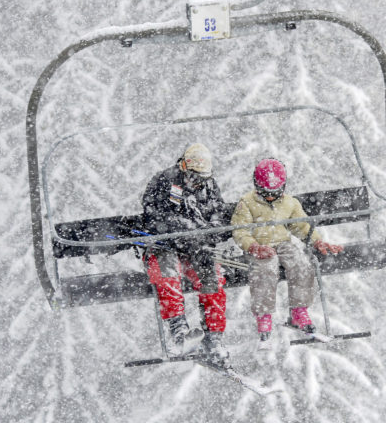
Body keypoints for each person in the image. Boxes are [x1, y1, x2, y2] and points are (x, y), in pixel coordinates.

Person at [230, 158, 343, 343]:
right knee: (265, 270)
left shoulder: (290, 203)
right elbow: (240, 230)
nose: (269, 198)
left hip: (283, 243)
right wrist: (252, 246)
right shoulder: (247, 203)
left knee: (301, 264)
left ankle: (299, 311)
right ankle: (263, 314)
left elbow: (301, 226)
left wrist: (316, 241)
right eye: (265, 193)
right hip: (260, 247)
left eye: (275, 194)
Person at [142, 143, 230, 365]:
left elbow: (218, 211)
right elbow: (154, 213)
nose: (196, 182)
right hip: (166, 245)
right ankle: (178, 330)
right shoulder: (164, 181)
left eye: (202, 178)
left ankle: (214, 336)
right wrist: (181, 230)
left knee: (212, 277)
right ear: (183, 166)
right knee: (166, 273)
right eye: (193, 176)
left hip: (197, 248)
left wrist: (211, 232)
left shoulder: (209, 187)